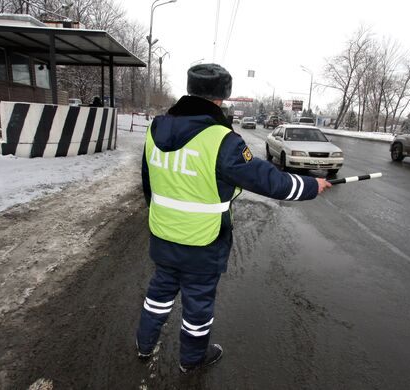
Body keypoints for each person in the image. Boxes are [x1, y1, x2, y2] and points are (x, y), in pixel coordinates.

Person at [136, 63, 331, 373]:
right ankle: (192, 359)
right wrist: (311, 185)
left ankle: (144, 345)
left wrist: (162, 216)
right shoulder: (221, 140)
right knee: (197, 306)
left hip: (163, 234)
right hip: (203, 241)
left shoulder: (154, 129)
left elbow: (148, 182)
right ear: (221, 99)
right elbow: (269, 181)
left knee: (158, 294)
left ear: (190, 90)